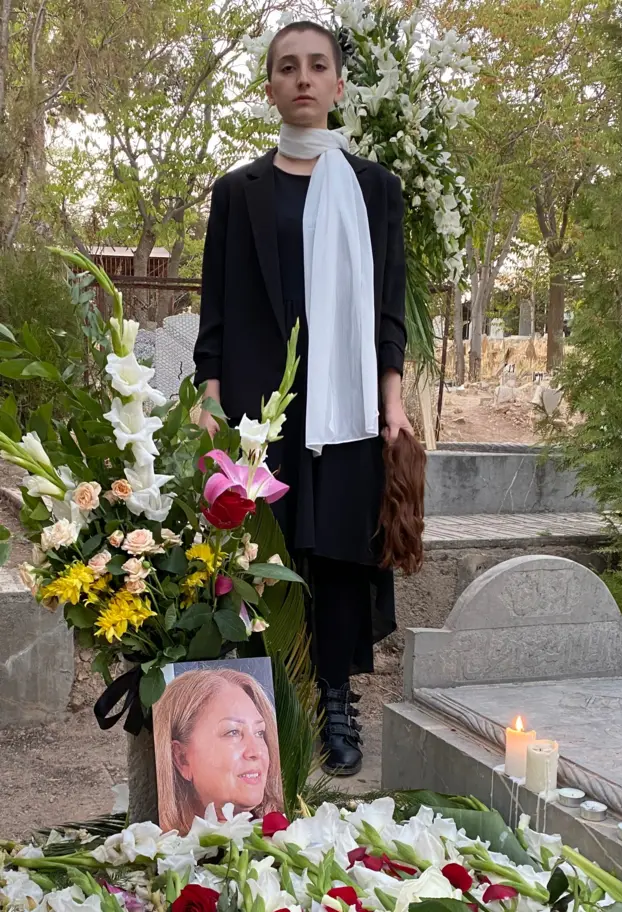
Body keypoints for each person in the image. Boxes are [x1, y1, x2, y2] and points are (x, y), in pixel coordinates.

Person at [194, 20, 412, 777]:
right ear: (270, 88)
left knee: (339, 550)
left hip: (345, 405)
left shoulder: (375, 189)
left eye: (318, 65)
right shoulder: (238, 193)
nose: (303, 78)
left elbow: (388, 306)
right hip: (260, 402)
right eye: (287, 67)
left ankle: (336, 698)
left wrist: (392, 400)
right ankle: (266, 702)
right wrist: (209, 398)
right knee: (263, 550)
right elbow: (216, 306)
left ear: (338, 85)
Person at [153, 668, 283, 835]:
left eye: (260, 733)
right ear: (181, 758)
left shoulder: (286, 834)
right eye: (233, 732)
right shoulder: (153, 845)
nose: (256, 752)